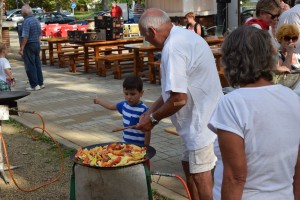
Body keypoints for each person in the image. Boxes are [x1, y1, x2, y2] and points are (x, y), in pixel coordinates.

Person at [137, 8, 223, 200]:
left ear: (152, 31)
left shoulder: (173, 48)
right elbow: (172, 90)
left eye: (145, 37)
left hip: (201, 124)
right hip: (198, 122)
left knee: (201, 177)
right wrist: (150, 110)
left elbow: (179, 99)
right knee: (188, 167)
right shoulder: (182, 36)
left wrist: (152, 119)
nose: (147, 42)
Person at [208, 26, 300, 200]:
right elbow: (298, 169)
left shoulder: (232, 103)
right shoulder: (293, 99)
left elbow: (235, 177)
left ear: (230, 60)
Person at [93, 76, 150, 145]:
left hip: (139, 147)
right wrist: (99, 101)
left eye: (132, 94)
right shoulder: (124, 105)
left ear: (141, 93)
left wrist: (146, 147)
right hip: (125, 144)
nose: (129, 97)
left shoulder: (144, 110)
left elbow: (147, 130)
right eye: (126, 93)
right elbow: (110, 106)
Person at [18, 4, 44, 91]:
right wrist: (37, 42)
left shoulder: (26, 22)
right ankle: (40, 83)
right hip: (36, 44)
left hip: (29, 45)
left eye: (21, 11)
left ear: (25, 13)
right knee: (37, 64)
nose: (21, 13)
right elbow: (40, 34)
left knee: (30, 65)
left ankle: (34, 85)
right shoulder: (36, 20)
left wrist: (22, 48)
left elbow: (25, 36)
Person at [274, 23, 300, 95]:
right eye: (287, 38)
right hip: (283, 93)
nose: (291, 41)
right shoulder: (276, 55)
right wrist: (289, 53)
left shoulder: (297, 56)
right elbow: (284, 73)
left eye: (294, 38)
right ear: (280, 39)